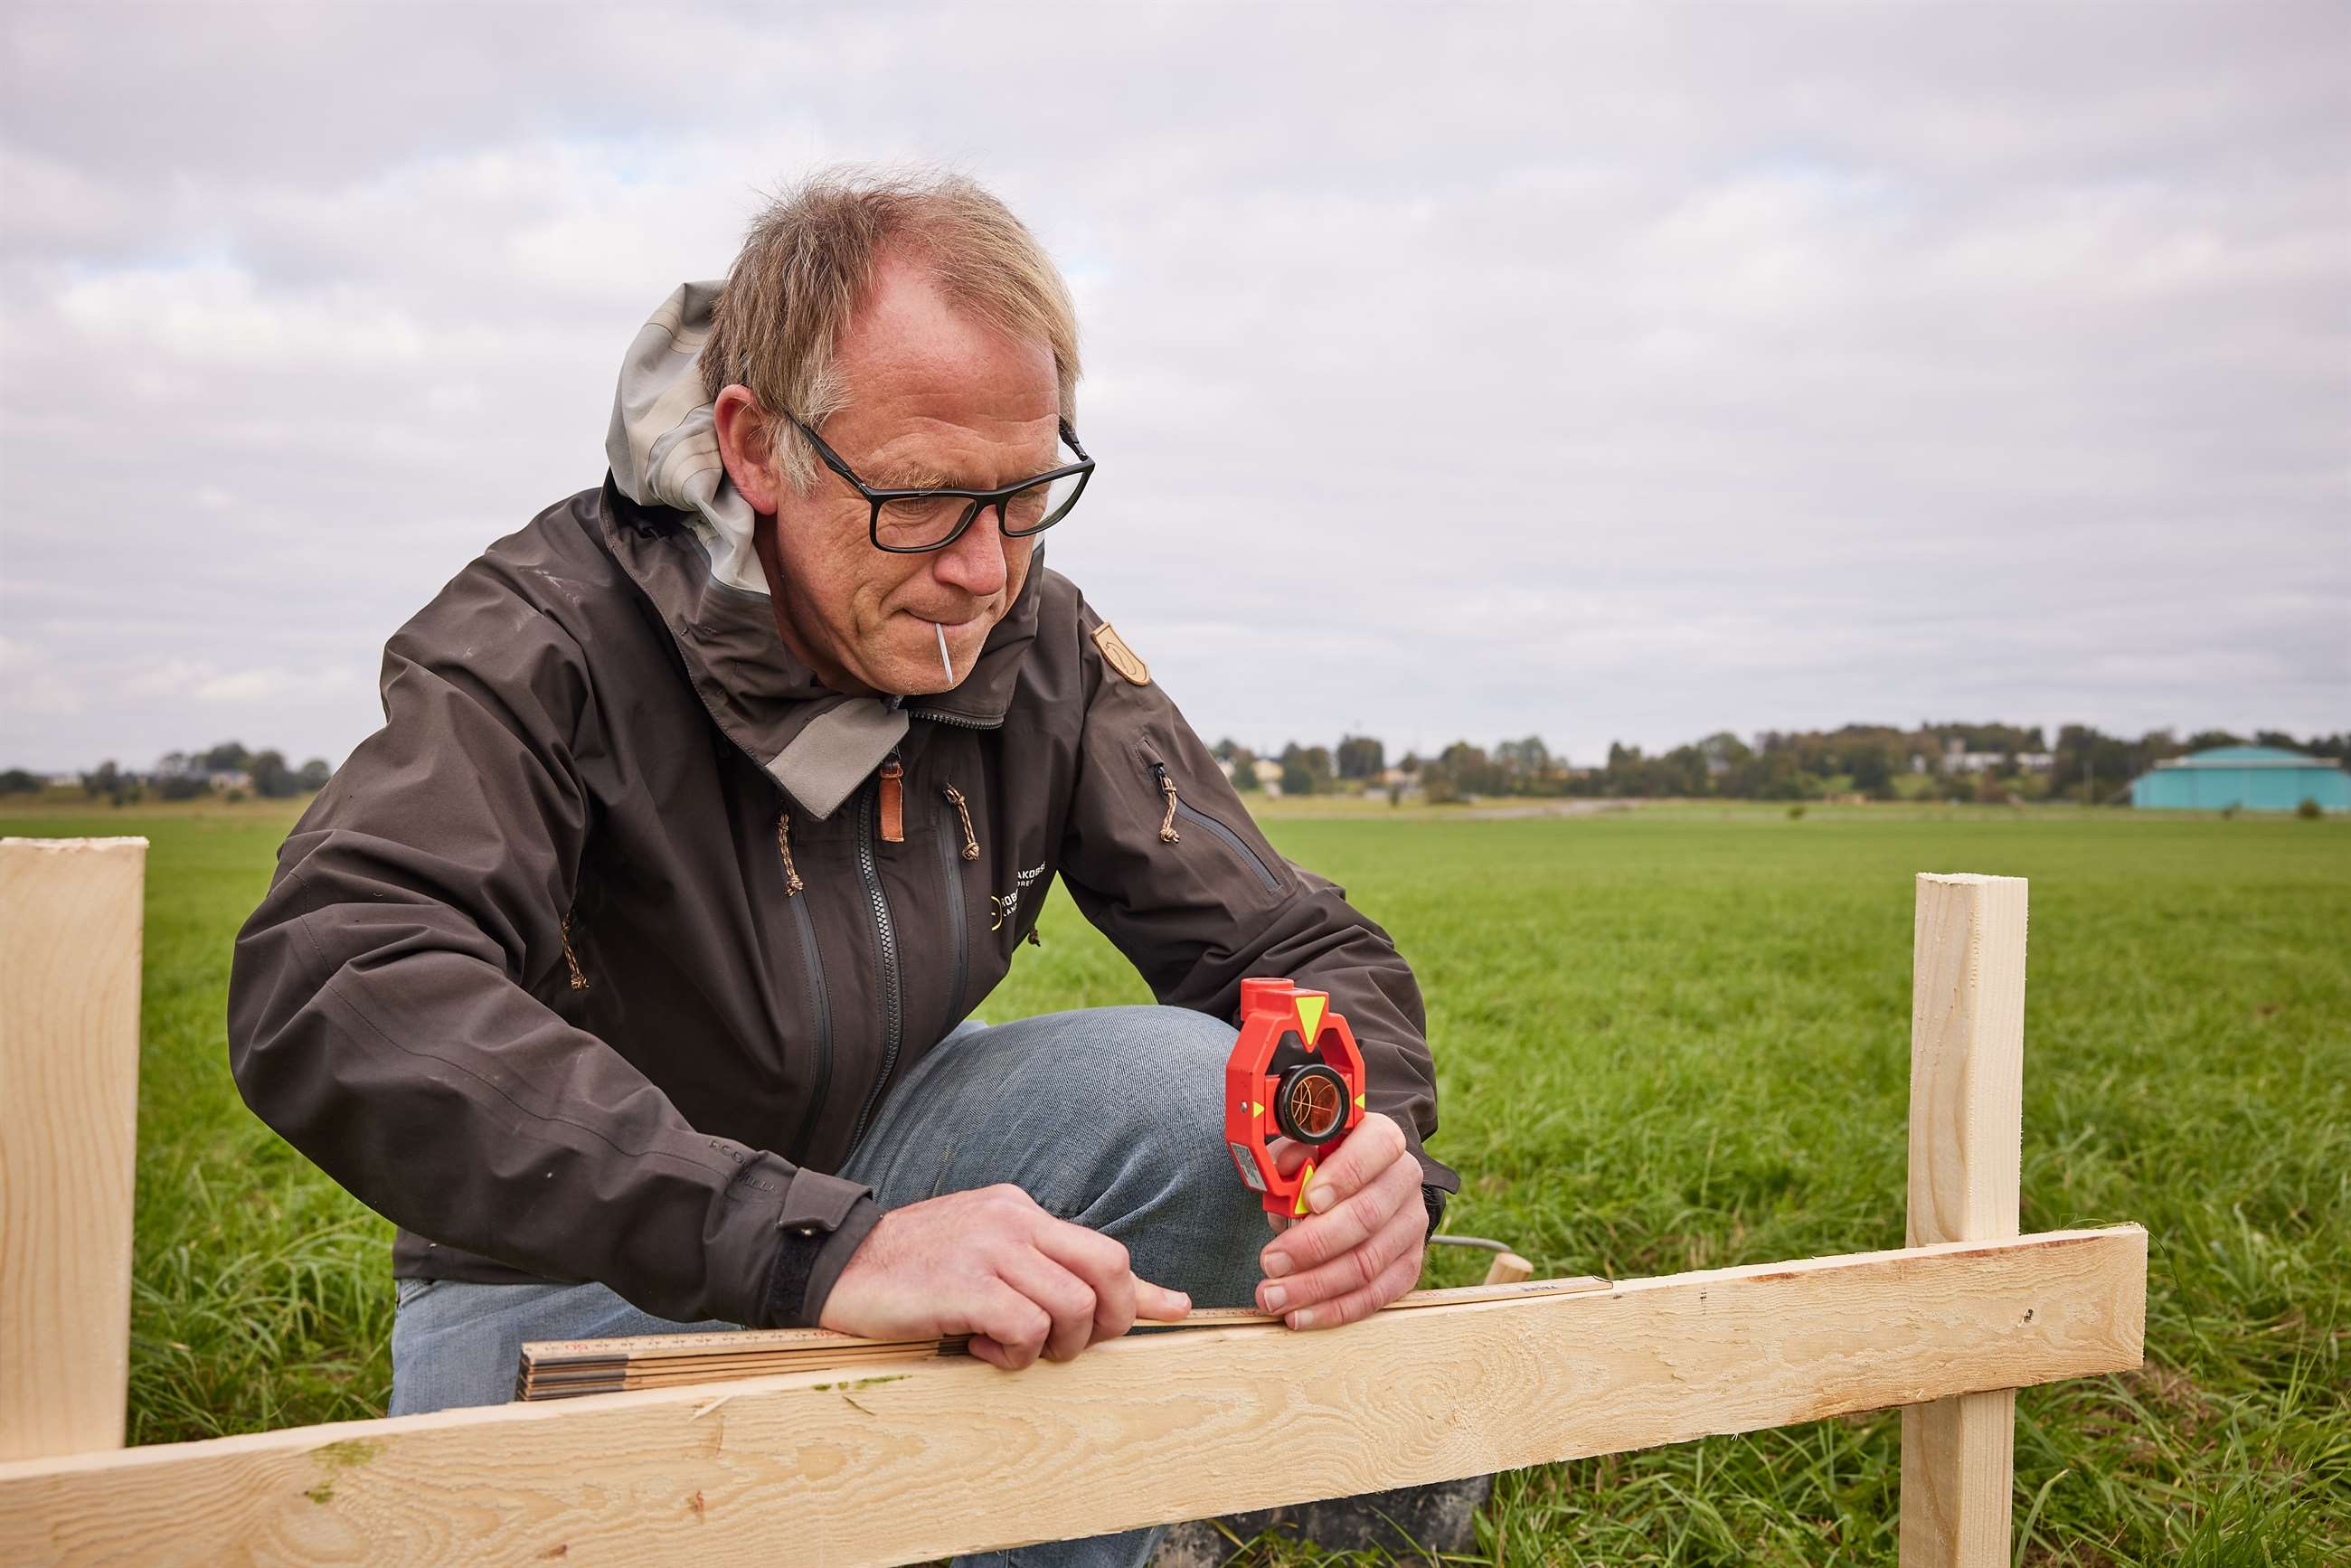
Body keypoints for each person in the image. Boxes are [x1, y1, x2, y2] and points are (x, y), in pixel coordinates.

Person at [225, 168, 1456, 1568]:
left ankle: (1064, 1532)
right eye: (926, 501)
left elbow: (1291, 943)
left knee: (1205, 1098)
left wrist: (1380, 1146)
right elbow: (337, 975)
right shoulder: (544, 637)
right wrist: (819, 1246)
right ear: (756, 446)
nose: (986, 572)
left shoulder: (1030, 639)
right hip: (581, 1260)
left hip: (891, 1152)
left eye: (1027, 494)